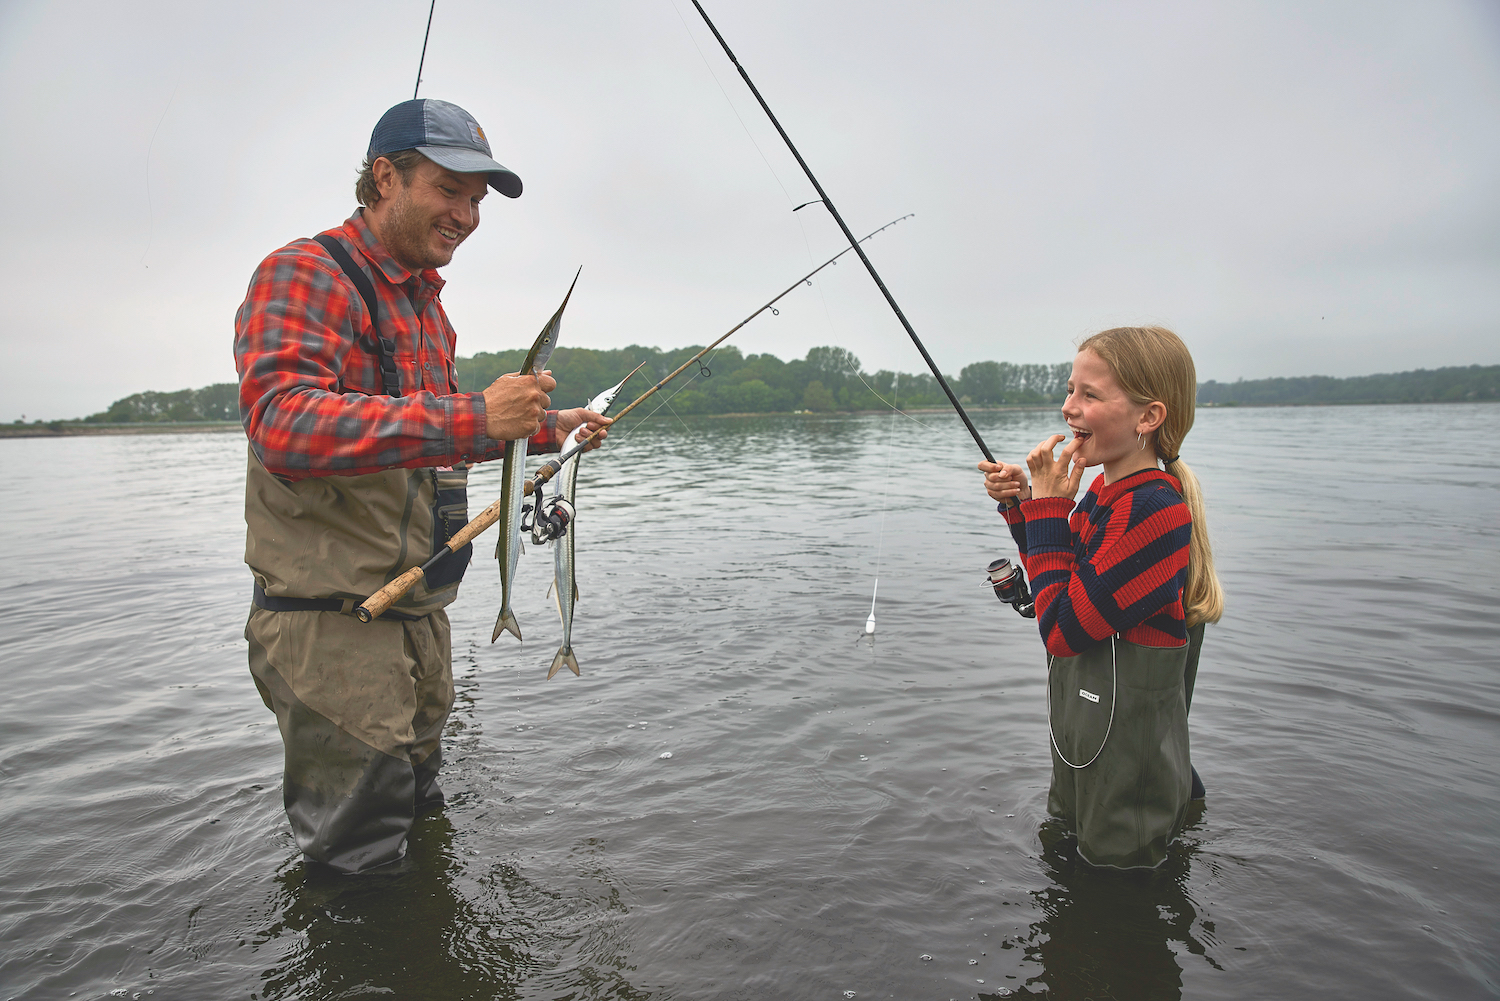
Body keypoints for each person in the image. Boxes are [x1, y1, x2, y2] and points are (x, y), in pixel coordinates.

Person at [234, 98, 611, 874]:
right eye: (450, 190)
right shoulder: (306, 272)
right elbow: (281, 422)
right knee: (358, 865)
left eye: (477, 200)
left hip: (415, 613)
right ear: (385, 178)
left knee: (421, 820)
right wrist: (475, 414)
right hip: (333, 624)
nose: (467, 215)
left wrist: (552, 428)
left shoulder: (425, 308)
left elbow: (432, 436)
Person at [979, 326, 1224, 869]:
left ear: (1148, 417)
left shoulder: (1154, 510)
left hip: (1127, 775)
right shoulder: (1105, 496)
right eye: (1070, 390)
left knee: (1115, 891)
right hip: (1090, 748)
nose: (1069, 407)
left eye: (1089, 395)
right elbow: (1063, 583)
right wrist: (1025, 505)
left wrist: (1049, 510)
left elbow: (1063, 631)